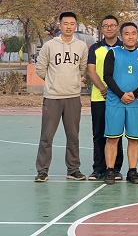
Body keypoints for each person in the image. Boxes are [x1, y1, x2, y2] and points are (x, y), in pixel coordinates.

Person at [34, 12, 89, 183]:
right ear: (60, 25)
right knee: (46, 136)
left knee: (73, 136)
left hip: (73, 96)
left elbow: (82, 68)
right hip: (52, 97)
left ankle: (73, 170)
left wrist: (73, 81)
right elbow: (40, 68)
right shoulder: (49, 45)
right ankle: (42, 171)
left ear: (75, 25)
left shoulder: (81, 46)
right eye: (66, 23)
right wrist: (53, 81)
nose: (69, 26)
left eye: (72, 23)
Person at [102, 22, 138, 185]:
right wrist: (121, 94)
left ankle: (132, 171)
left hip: (136, 103)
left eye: (133, 33)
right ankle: (110, 170)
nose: (130, 36)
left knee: (134, 139)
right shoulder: (113, 53)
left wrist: (135, 94)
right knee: (112, 138)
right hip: (115, 102)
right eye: (127, 33)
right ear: (121, 36)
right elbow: (107, 76)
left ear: (137, 35)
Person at [86, 15, 124, 181]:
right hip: (99, 98)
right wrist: (102, 88)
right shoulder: (95, 48)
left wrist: (118, 91)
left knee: (116, 135)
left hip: (118, 98)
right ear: (102, 29)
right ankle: (99, 168)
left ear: (117, 27)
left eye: (112, 25)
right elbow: (91, 70)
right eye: (106, 25)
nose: (109, 28)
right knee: (99, 133)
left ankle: (115, 168)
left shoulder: (124, 47)